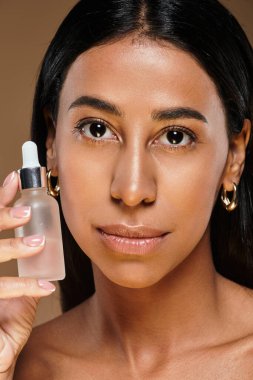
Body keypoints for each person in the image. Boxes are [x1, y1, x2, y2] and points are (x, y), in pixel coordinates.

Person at [0, 0, 252, 378]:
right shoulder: (22, 364)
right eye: (97, 129)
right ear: (50, 146)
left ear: (234, 156)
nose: (132, 190)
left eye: (175, 136)